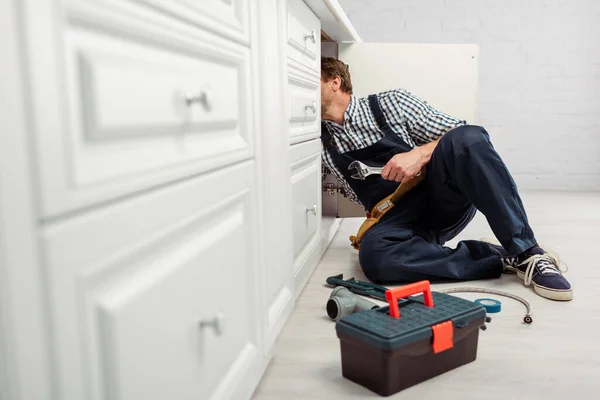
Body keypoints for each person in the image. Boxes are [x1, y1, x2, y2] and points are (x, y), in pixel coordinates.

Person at [319, 56, 572, 301]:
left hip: (439, 199)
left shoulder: (390, 104)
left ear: (335, 81)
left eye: (311, 82)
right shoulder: (316, 140)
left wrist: (418, 154)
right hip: (395, 219)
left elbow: (459, 134)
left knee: (467, 139)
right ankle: (496, 258)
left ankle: (528, 252)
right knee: (375, 260)